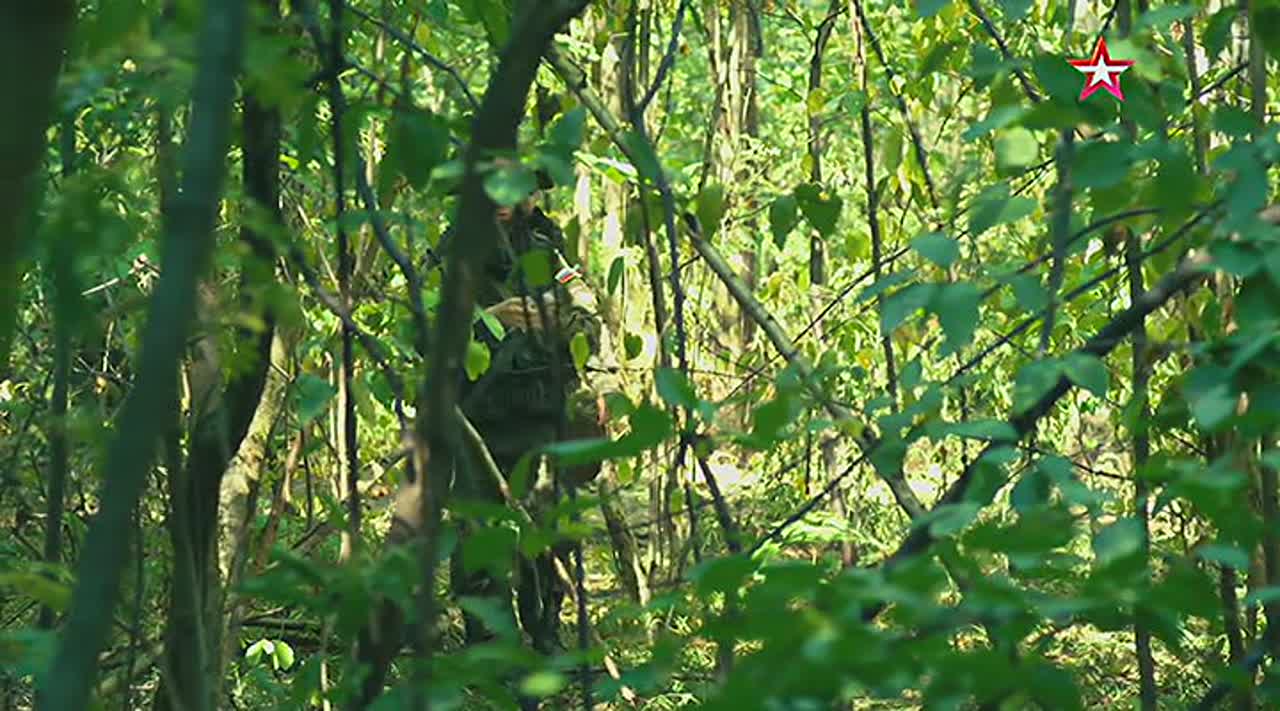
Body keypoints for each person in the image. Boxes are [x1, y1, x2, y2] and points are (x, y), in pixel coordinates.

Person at [435, 173, 620, 664]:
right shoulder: (453, 254)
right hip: (478, 416)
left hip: (542, 408)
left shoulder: (548, 251)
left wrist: (569, 336)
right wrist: (491, 318)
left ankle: (546, 631)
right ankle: (488, 644)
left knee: (551, 524)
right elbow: (428, 336)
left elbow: (588, 316)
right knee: (478, 532)